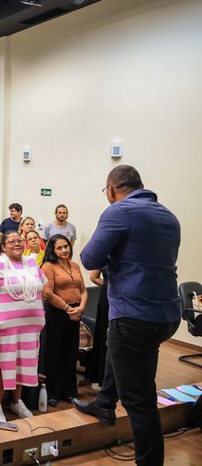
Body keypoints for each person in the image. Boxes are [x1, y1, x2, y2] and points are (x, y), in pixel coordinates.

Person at [75, 165, 181, 466]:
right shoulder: (167, 215)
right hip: (166, 314)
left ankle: (149, 461)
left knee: (140, 400)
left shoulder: (119, 212)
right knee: (116, 349)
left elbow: (89, 258)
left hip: (135, 314)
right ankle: (105, 402)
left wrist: (113, 255)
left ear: (111, 189)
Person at [0, 231, 47, 423]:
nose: (17, 244)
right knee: (5, 365)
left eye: (20, 240)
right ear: (3, 246)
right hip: (5, 327)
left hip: (30, 326)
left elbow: (41, 287)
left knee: (23, 364)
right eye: (12, 241)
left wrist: (40, 311)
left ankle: (16, 402)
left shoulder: (32, 263)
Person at [41, 234, 87, 406]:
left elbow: (83, 290)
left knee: (70, 352)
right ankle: (53, 392)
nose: (64, 250)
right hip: (57, 312)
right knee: (54, 352)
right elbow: (48, 293)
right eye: (59, 248)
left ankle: (70, 391)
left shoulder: (74, 265)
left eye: (66, 246)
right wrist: (67, 308)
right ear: (52, 250)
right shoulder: (48, 266)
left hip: (75, 312)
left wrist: (81, 307)